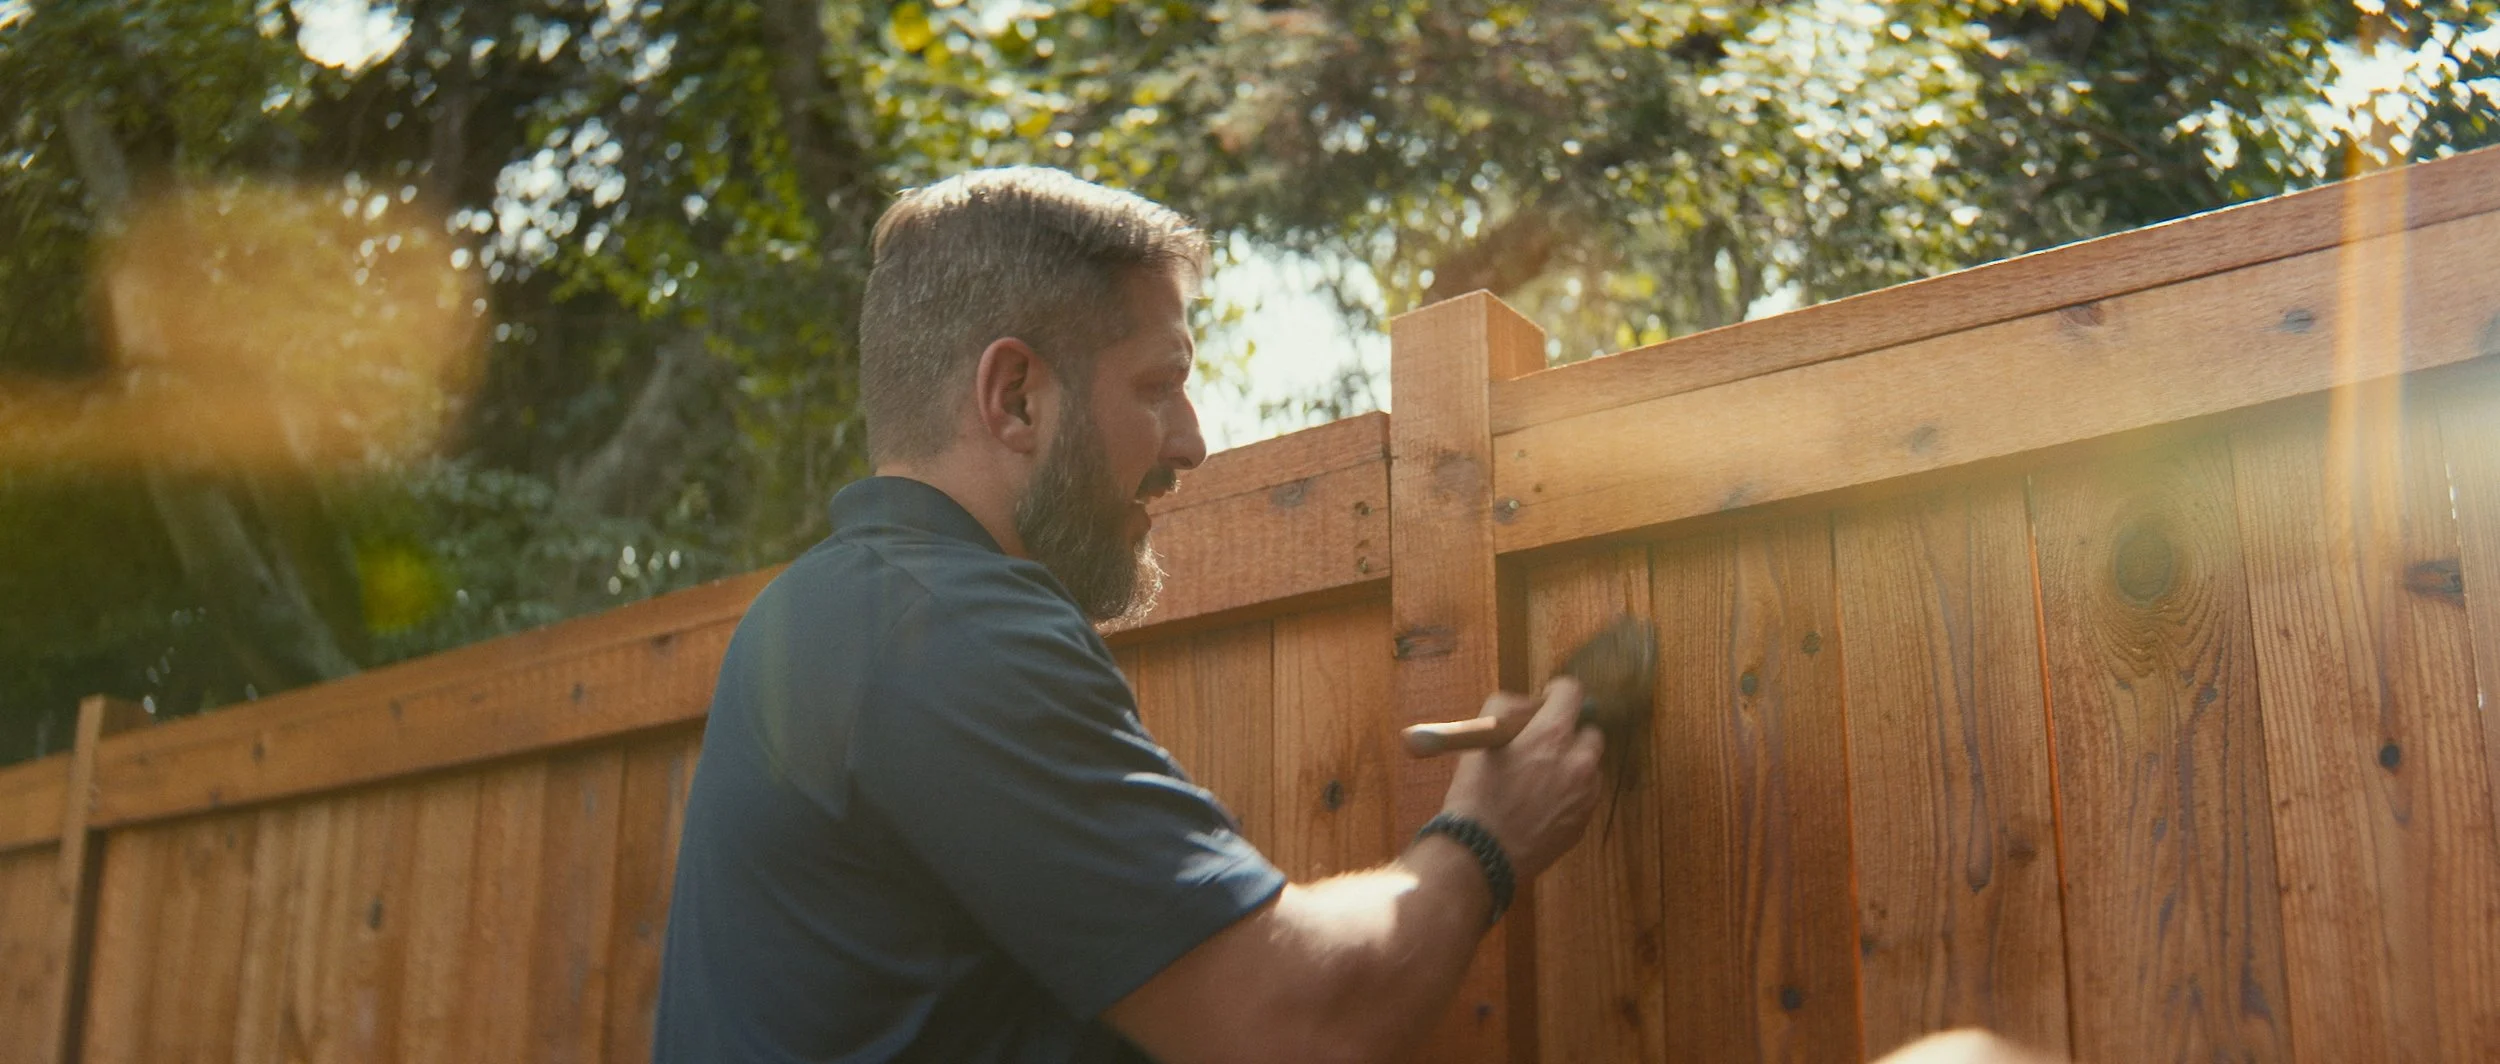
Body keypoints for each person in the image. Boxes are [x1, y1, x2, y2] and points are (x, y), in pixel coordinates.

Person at [653, 167, 1604, 1064]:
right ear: (1015, 396)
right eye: (1157, 385)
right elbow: (1293, 1022)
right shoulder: (949, 625)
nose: (1191, 442)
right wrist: (1488, 834)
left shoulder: (820, 614)